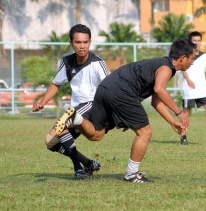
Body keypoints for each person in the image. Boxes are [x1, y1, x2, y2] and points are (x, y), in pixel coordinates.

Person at [51, 38, 195, 183]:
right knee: (145, 132)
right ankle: (132, 174)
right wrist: (179, 112)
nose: (192, 62)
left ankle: (77, 118)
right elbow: (160, 89)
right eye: (192, 58)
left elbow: (156, 100)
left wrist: (172, 122)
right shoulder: (167, 68)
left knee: (96, 134)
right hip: (122, 91)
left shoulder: (161, 64)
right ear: (183, 58)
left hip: (105, 88)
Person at [32, 24, 110, 179]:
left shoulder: (98, 63)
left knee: (61, 127)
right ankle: (88, 163)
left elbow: (111, 87)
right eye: (78, 42)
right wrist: (43, 101)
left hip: (93, 106)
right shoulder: (66, 62)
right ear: (71, 43)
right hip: (75, 109)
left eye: (85, 42)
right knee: (51, 142)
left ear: (90, 42)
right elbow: (56, 84)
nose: (82, 46)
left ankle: (78, 170)